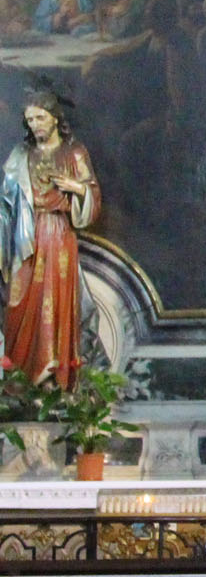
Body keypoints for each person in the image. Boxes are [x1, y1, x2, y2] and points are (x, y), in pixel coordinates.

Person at [0, 90, 98, 386]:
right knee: (19, 303)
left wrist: (77, 188)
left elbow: (92, 193)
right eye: (30, 119)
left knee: (54, 301)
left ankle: (55, 379)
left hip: (57, 234)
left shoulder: (74, 152)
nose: (35, 124)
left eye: (40, 117)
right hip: (24, 237)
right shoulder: (20, 155)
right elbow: (5, 203)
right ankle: (19, 381)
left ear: (55, 118)